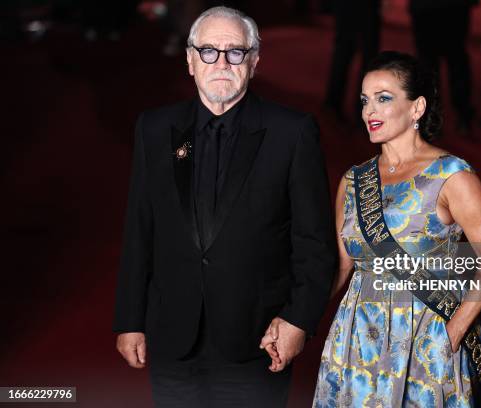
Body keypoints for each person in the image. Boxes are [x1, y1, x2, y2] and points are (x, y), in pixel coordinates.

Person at [112, 6, 337, 407]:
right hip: (172, 339)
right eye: (208, 51)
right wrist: (130, 320)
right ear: (189, 60)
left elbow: (314, 242)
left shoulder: (292, 132)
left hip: (257, 340)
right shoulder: (154, 128)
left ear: (253, 61)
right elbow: (140, 229)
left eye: (235, 52)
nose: (221, 62)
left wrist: (299, 320)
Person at [312, 51, 481, 407]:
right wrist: (301, 316)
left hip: (424, 335)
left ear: (417, 108)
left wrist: (454, 331)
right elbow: (341, 266)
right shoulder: (354, 181)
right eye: (365, 100)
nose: (370, 110)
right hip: (356, 336)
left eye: (384, 99)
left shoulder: (451, 175)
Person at [409, 0, 480, 133]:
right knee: (456, 58)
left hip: (427, 8)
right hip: (453, 7)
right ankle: (462, 114)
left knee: (429, 60)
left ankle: (431, 117)